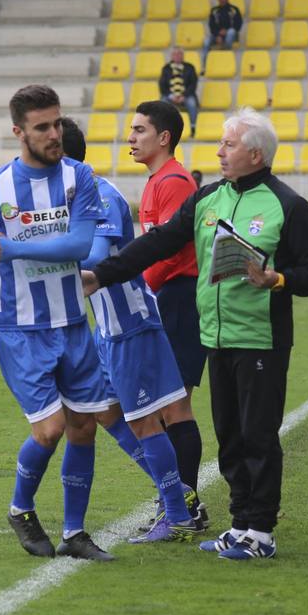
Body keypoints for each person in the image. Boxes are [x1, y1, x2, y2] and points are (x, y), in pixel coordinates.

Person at [85, 108, 308, 560]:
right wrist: (101, 275)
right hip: (214, 336)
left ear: (255, 153)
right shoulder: (208, 198)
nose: (219, 151)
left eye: (229, 144)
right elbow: (157, 243)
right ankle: (239, 525)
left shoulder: (286, 204)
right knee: (230, 435)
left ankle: (261, 530)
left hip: (261, 339)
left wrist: (275, 279)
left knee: (258, 434)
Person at [0, 84, 115, 562]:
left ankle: (75, 532)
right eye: (42, 126)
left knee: (84, 427)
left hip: (72, 323)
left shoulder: (78, 178)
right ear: (19, 131)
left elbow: (80, 245)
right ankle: (21, 509)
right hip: (19, 327)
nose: (53, 133)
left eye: (57, 123)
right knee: (50, 429)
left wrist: (13, 246)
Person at [60, 117, 204, 542]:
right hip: (105, 327)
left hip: (130, 322)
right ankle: (177, 493)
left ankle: (177, 513)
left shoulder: (100, 194)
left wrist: (40, 260)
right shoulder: (65, 199)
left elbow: (99, 254)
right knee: (103, 410)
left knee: (146, 419)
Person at [127, 101, 211, 523]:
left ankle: (185, 506)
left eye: (140, 130)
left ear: (164, 138)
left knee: (174, 406)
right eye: (131, 130)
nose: (131, 138)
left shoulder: (174, 181)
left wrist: (142, 287)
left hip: (180, 297)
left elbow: (172, 249)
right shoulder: (157, 180)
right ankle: (180, 504)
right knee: (165, 407)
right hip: (169, 296)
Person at [158, 47, 200, 131]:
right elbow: (162, 85)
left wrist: (183, 96)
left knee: (192, 103)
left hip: (186, 95)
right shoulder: (166, 68)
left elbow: (193, 84)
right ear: (172, 56)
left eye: (179, 54)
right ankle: (163, 127)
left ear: (183, 56)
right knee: (162, 104)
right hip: (170, 95)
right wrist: (171, 96)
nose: (177, 56)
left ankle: (193, 126)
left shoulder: (190, 67)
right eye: (175, 54)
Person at [201, 0, 242, 64]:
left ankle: (225, 54)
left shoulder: (234, 9)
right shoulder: (214, 11)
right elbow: (211, 26)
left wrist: (226, 32)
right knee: (206, 41)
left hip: (232, 35)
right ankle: (204, 65)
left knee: (231, 32)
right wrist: (217, 35)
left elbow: (238, 25)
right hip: (217, 35)